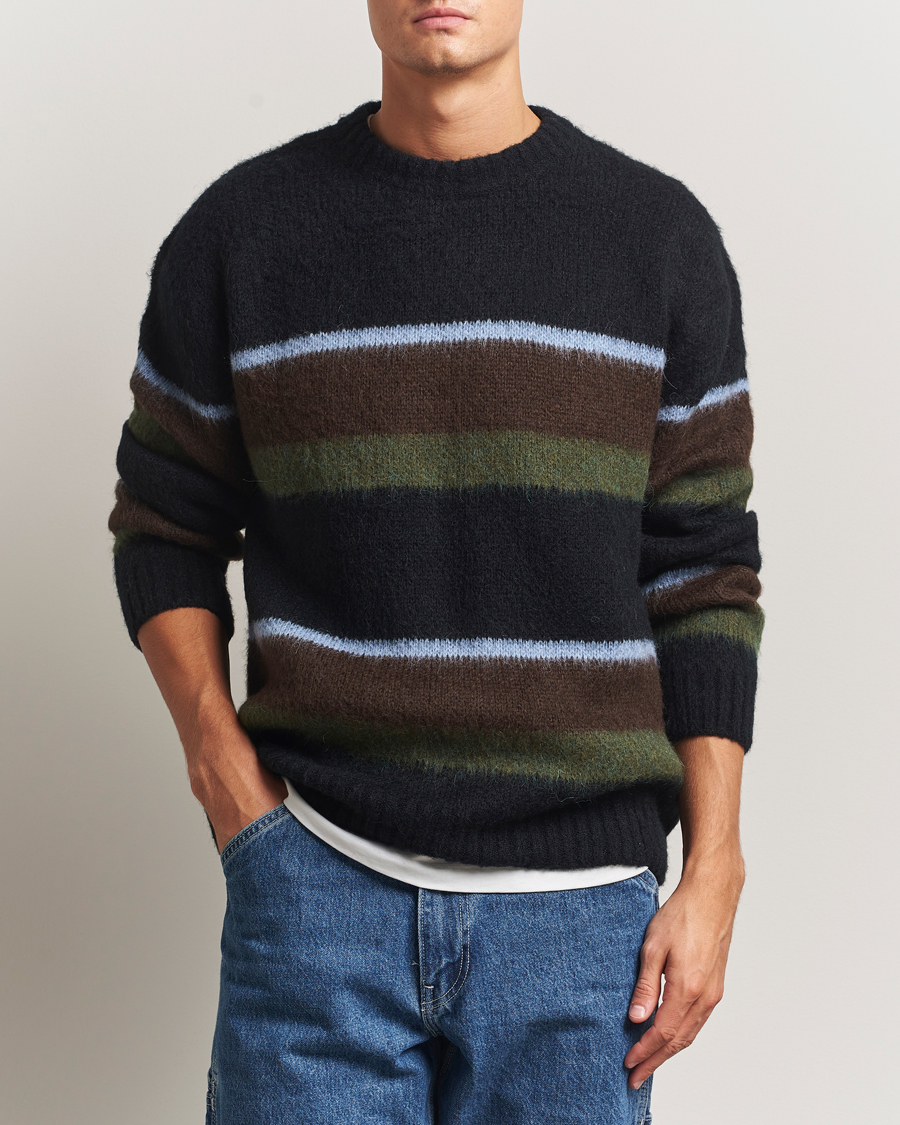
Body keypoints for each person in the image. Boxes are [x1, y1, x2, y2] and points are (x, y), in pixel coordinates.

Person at [107, 1, 763, 1121]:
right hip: (316, 893)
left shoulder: (657, 240)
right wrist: (228, 788)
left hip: (580, 928)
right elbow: (164, 526)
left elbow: (704, 572)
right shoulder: (240, 235)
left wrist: (716, 866)